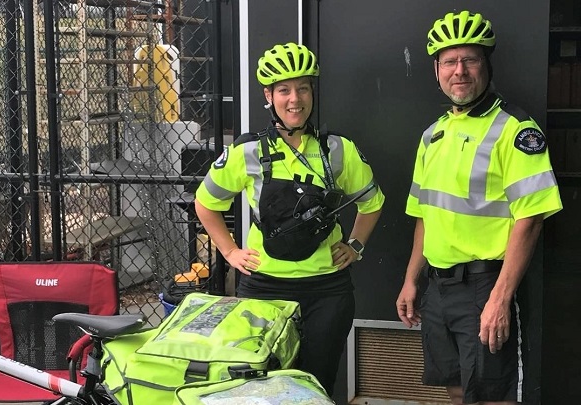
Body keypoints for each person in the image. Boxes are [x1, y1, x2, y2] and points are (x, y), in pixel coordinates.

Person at [194, 42, 384, 395]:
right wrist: (231, 253)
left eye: (302, 88)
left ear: (312, 92)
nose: (294, 99)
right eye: (283, 89)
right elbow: (206, 204)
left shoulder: (337, 149)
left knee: (317, 385)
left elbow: (372, 203)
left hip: (326, 290)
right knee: (260, 387)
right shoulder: (246, 151)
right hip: (263, 288)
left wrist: (355, 245)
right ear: (269, 95)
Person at [395, 10, 563, 405]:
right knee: (455, 388)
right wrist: (410, 279)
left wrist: (500, 299)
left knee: (493, 395)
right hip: (437, 288)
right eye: (450, 61)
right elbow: (424, 215)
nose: (460, 71)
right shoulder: (432, 134)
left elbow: (531, 218)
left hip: (485, 286)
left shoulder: (516, 129)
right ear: (436, 69)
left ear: (486, 65)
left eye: (470, 59)